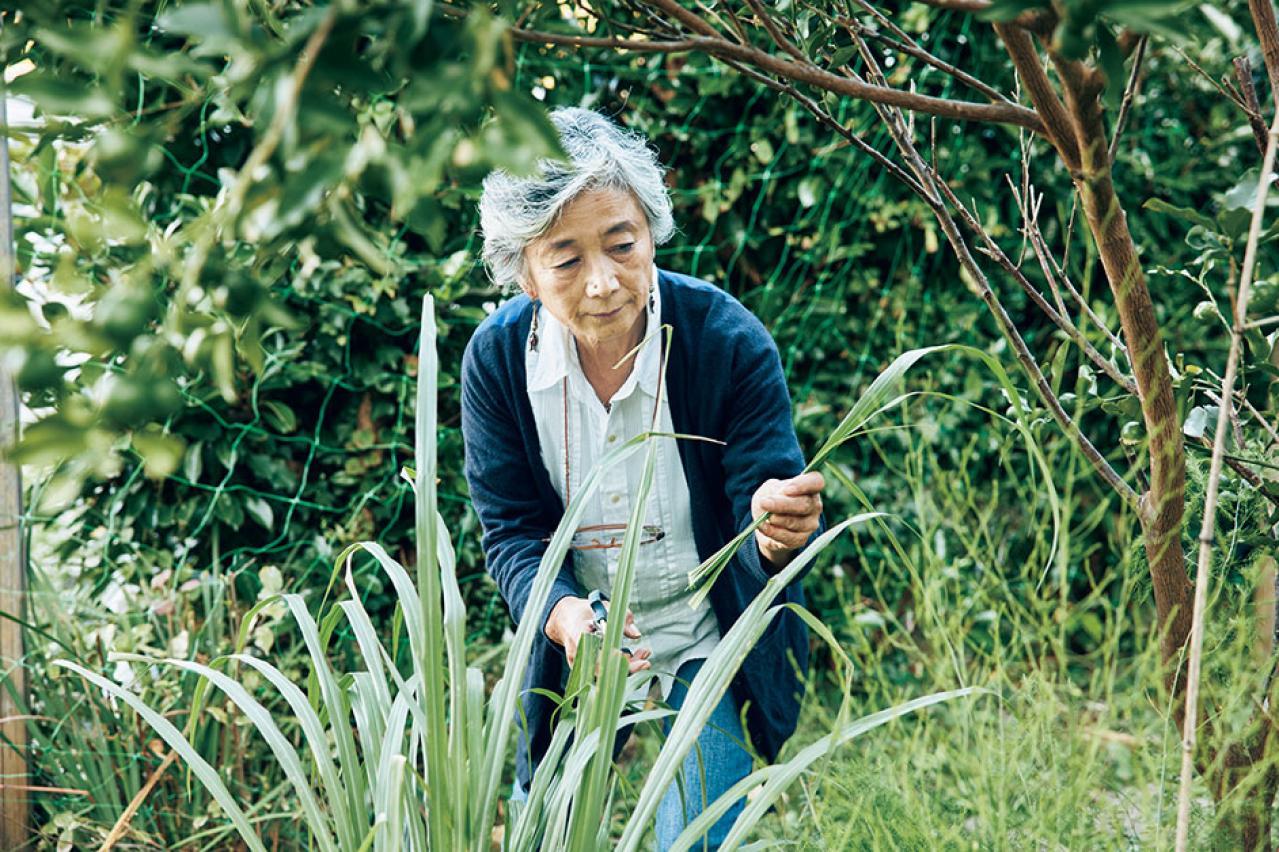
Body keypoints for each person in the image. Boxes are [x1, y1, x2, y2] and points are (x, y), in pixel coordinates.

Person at [461, 106, 825, 850]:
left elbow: (764, 514)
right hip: (581, 641)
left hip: (707, 633)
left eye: (621, 245)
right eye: (564, 261)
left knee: (690, 838)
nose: (601, 284)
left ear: (649, 233)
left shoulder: (725, 341)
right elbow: (512, 534)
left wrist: (773, 529)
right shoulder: (497, 364)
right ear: (524, 275)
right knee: (543, 836)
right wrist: (563, 617)